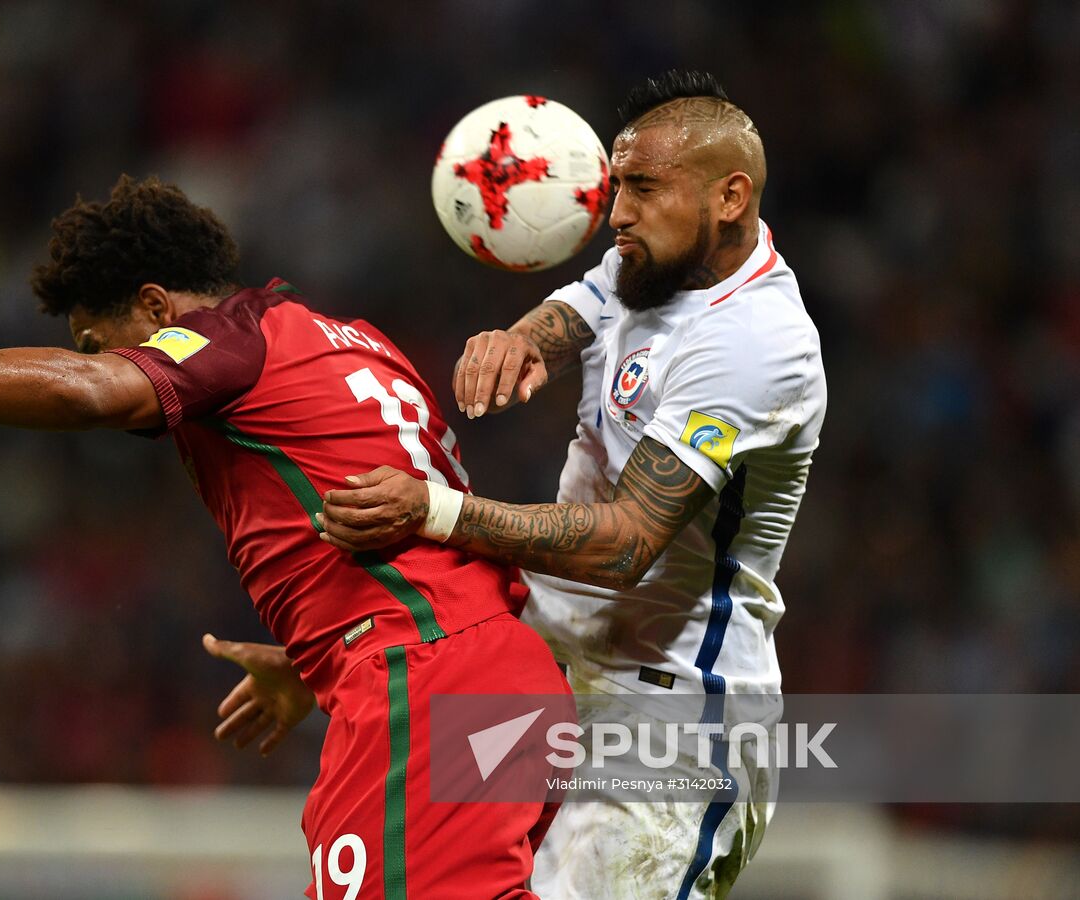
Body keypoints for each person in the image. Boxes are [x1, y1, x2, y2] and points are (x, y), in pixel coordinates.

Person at [0, 175, 570, 900]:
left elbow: (89, 395)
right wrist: (313, 659)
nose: (97, 356)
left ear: (152, 308)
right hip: (503, 671)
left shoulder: (227, 336)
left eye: (95, 337)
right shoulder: (355, 340)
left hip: (419, 679)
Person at [218, 71, 828, 899]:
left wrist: (437, 510)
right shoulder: (647, 266)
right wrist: (517, 338)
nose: (616, 216)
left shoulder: (757, 342)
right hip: (550, 683)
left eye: (644, 190)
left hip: (666, 721)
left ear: (730, 196)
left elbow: (622, 546)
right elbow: (576, 311)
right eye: (617, 189)